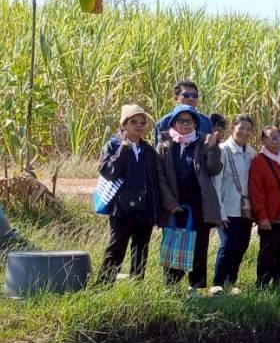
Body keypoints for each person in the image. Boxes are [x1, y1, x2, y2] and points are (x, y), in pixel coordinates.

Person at [154, 104, 223, 287]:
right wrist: (170, 203)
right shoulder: (165, 146)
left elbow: (214, 169)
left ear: (195, 123)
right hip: (174, 206)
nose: (185, 124)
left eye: (189, 121)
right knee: (173, 245)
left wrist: (213, 148)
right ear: (174, 123)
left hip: (199, 204)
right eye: (181, 121)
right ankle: (171, 287)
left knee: (199, 247)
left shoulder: (202, 144)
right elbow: (159, 178)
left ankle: (197, 288)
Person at [98, 104, 164, 281]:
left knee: (141, 251)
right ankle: (102, 288)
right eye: (133, 121)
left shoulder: (148, 150)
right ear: (124, 124)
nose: (139, 125)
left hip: (144, 209)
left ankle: (137, 288)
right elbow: (109, 172)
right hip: (121, 209)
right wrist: (124, 149)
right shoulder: (113, 145)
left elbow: (155, 182)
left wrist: (156, 212)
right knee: (116, 249)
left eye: (142, 122)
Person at [248, 125, 280, 288]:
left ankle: (279, 283)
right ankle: (262, 284)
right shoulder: (259, 161)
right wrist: (262, 216)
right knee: (268, 253)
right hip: (270, 216)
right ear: (263, 140)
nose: (274, 141)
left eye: (277, 137)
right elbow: (256, 192)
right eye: (270, 137)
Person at [212, 115, 256, 292]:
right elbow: (217, 182)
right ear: (232, 128)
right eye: (241, 128)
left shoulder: (252, 153)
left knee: (242, 244)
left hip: (245, 209)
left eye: (248, 129)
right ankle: (218, 283)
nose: (244, 132)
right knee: (227, 244)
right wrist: (220, 211)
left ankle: (232, 281)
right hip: (227, 207)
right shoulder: (223, 150)